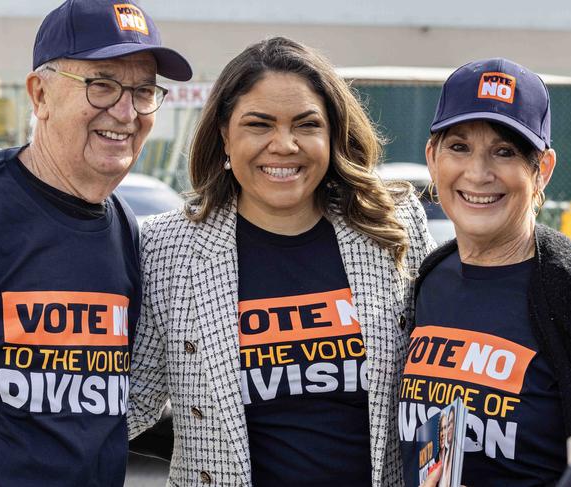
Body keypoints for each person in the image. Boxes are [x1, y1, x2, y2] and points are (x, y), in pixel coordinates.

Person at [129, 36, 435, 486]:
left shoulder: (391, 224)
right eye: (259, 124)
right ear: (224, 135)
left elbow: (444, 374)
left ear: (331, 134)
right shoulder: (166, 248)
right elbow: (127, 404)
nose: (284, 144)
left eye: (306, 124)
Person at [0, 0, 191, 485]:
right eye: (102, 85)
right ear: (40, 94)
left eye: (143, 90)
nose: (126, 111)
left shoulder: (126, 231)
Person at [399, 58, 571, 487]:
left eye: (505, 151)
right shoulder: (429, 278)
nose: (478, 174)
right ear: (432, 158)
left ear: (543, 170)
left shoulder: (568, 288)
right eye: (459, 147)